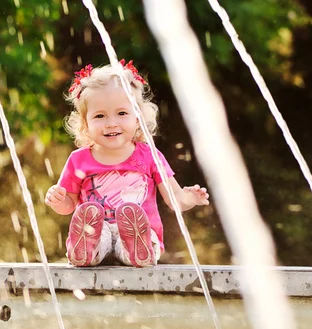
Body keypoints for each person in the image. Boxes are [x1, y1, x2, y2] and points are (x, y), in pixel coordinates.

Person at [44, 60, 209, 268]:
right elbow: (68, 205)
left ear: (138, 118)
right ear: (86, 124)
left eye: (122, 113)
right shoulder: (79, 160)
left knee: (138, 237)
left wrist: (189, 198)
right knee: (94, 232)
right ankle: (86, 249)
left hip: (141, 229)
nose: (111, 123)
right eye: (100, 116)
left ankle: (137, 249)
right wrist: (58, 200)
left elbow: (174, 199)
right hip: (99, 230)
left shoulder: (149, 156)